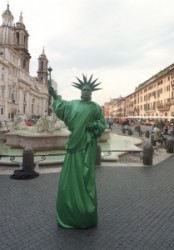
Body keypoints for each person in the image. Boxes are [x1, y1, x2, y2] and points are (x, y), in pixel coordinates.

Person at [48, 74, 106, 229]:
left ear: (92, 92)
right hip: (74, 147)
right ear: (80, 91)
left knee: (86, 176)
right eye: (84, 90)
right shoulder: (73, 104)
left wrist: (94, 126)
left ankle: (84, 210)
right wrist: (54, 95)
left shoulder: (96, 107)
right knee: (70, 179)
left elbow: (102, 125)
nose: (86, 92)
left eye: (89, 90)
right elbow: (61, 107)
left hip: (87, 147)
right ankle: (70, 210)